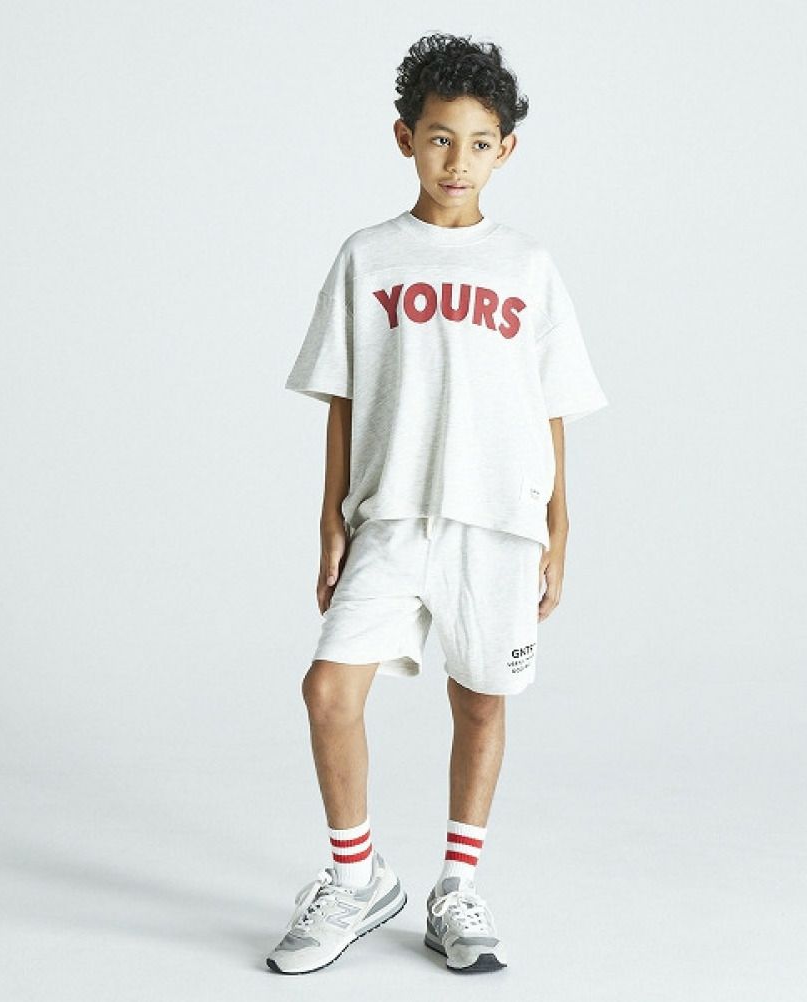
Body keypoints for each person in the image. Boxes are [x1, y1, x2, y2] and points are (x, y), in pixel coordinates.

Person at [267, 31, 608, 976]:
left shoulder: (527, 265)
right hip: (391, 515)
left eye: (479, 142)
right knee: (329, 691)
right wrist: (330, 518)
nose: (458, 160)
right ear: (405, 139)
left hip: (499, 519)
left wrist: (560, 524)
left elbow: (550, 405)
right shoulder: (368, 256)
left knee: (482, 701)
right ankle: (359, 879)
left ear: (507, 149)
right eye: (439, 138)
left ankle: (456, 887)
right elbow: (342, 397)